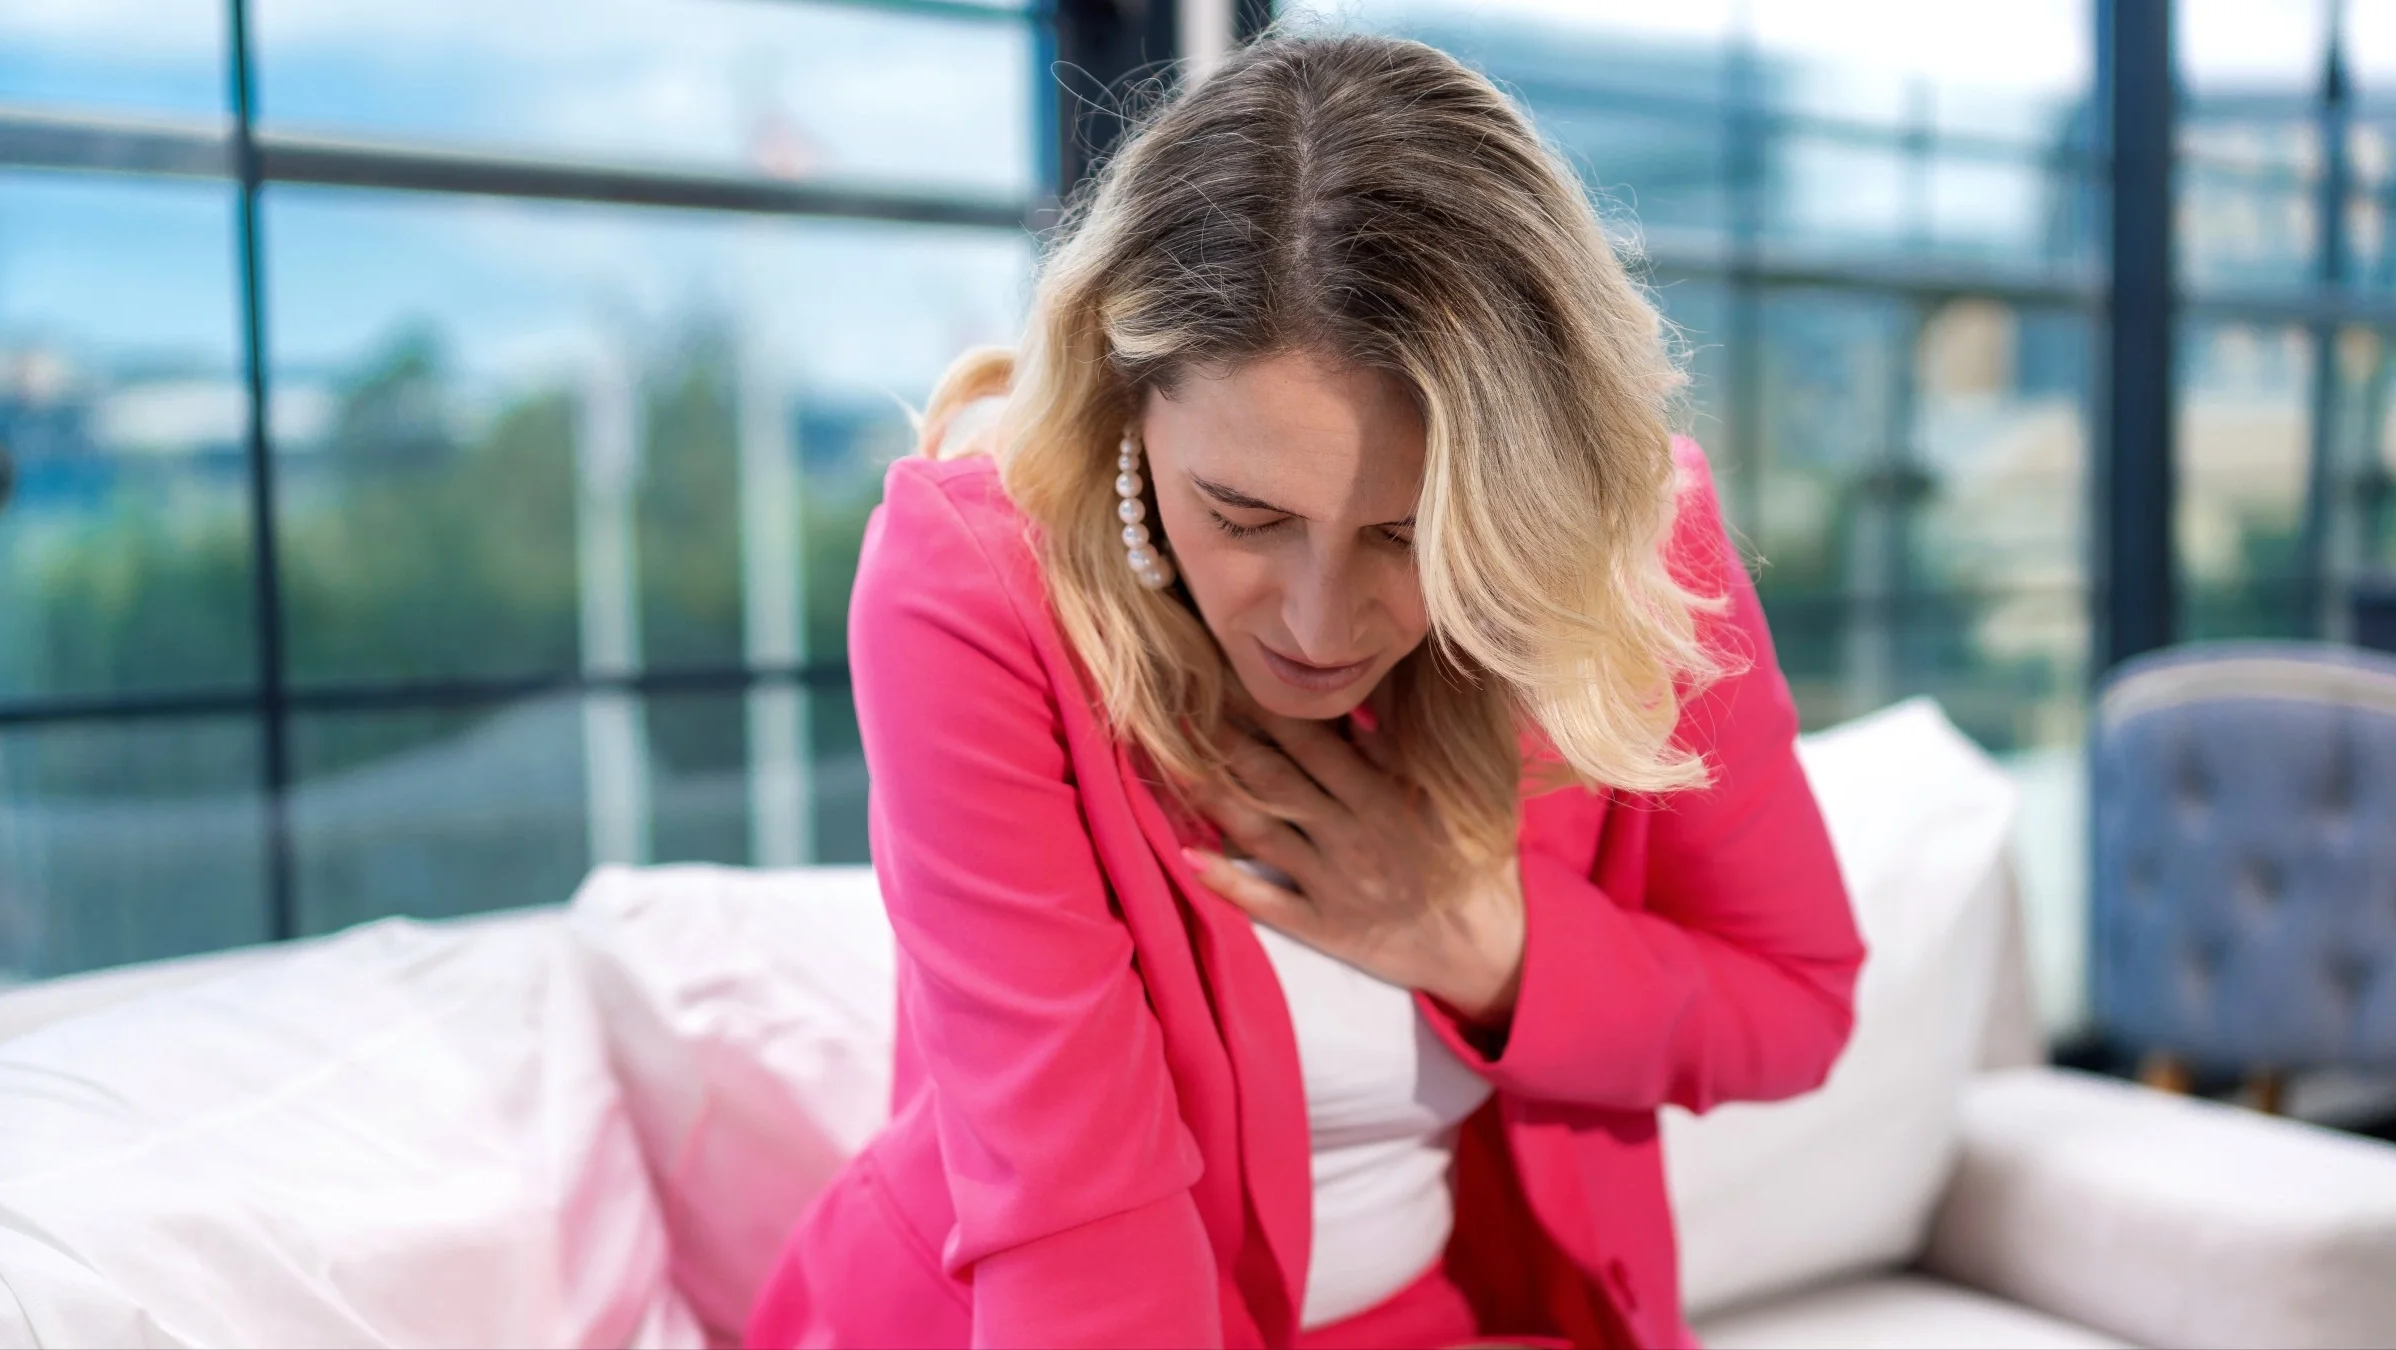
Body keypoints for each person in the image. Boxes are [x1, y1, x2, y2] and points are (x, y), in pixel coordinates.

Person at [746, 32, 1864, 1350]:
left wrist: (1486, 945)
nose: (1322, 624)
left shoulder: (1630, 549)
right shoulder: (978, 589)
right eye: (1244, 515)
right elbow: (1079, 1232)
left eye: (1411, 534)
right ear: (1127, 402)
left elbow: (1798, 1002)